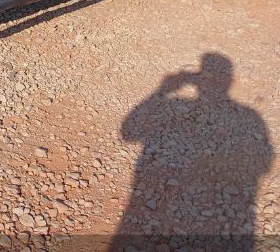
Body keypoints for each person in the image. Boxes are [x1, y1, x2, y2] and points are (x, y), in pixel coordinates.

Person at [111, 53, 273, 252]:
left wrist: (162, 91)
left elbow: (128, 133)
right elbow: (264, 163)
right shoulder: (251, 116)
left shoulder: (248, 116)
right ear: (230, 80)